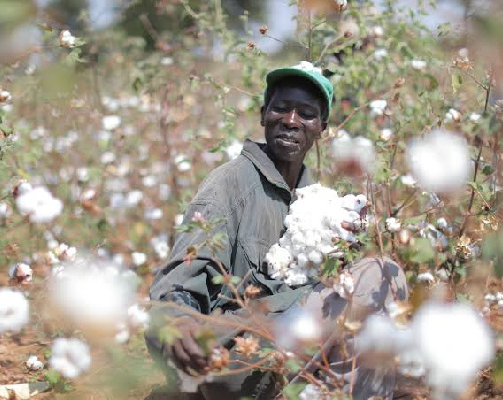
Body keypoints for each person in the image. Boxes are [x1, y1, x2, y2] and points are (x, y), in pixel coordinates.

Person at [146, 62, 408, 400]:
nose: (291, 120)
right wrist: (179, 324)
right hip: (239, 357)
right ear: (263, 115)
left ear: (321, 127)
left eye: (306, 114)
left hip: (291, 350)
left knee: (379, 317)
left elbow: (329, 296)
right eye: (281, 108)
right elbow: (179, 281)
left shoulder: (319, 201)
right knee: (381, 272)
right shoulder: (230, 184)